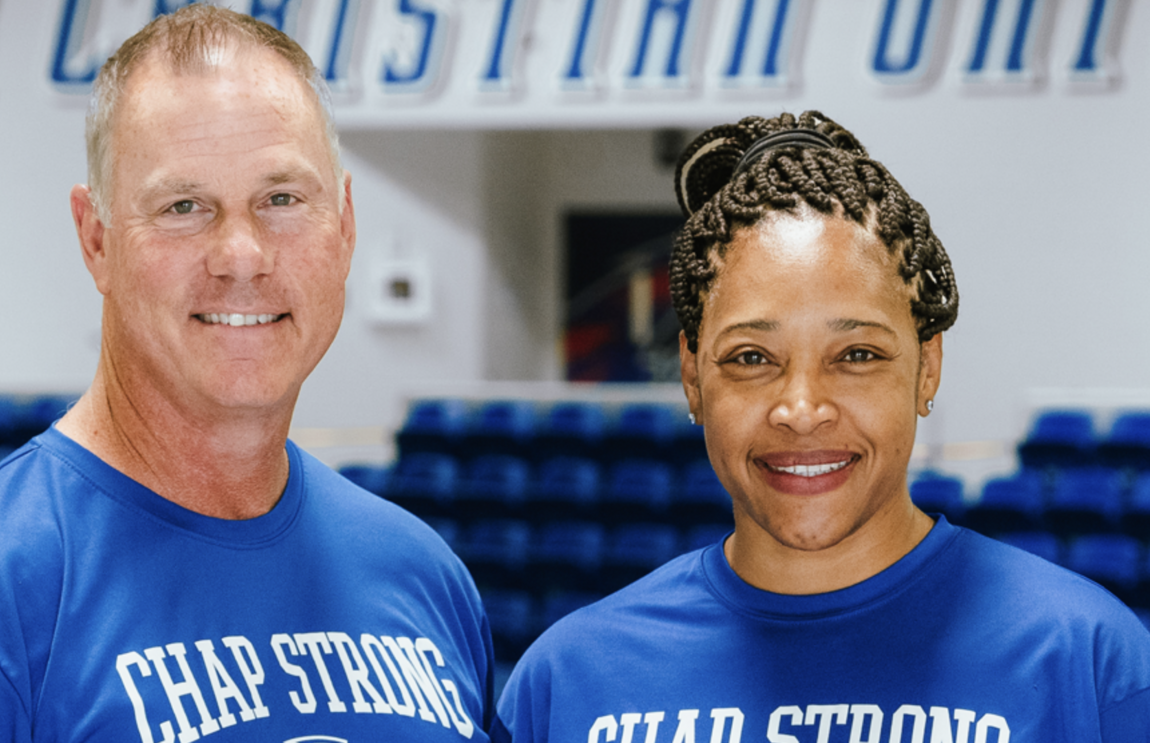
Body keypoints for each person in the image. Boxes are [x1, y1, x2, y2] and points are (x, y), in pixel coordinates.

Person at [0, 6, 492, 741]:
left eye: (281, 199)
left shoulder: (425, 579)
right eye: (184, 206)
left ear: (344, 224)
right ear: (96, 239)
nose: (241, 254)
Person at [492, 111, 1150, 742]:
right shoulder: (569, 682)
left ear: (927, 367)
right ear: (693, 376)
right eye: (752, 358)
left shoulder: (1088, 664)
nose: (801, 408)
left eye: (857, 355)